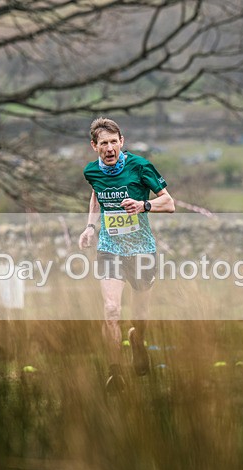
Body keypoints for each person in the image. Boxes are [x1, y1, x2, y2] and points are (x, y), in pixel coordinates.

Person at [78, 117, 174, 392]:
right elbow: (96, 196)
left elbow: (169, 203)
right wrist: (89, 227)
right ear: (94, 146)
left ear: (122, 142)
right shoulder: (91, 172)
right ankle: (115, 371)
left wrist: (143, 205)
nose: (109, 148)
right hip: (110, 248)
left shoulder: (140, 166)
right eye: (103, 144)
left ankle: (137, 339)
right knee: (111, 310)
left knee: (139, 317)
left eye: (113, 142)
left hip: (142, 250)